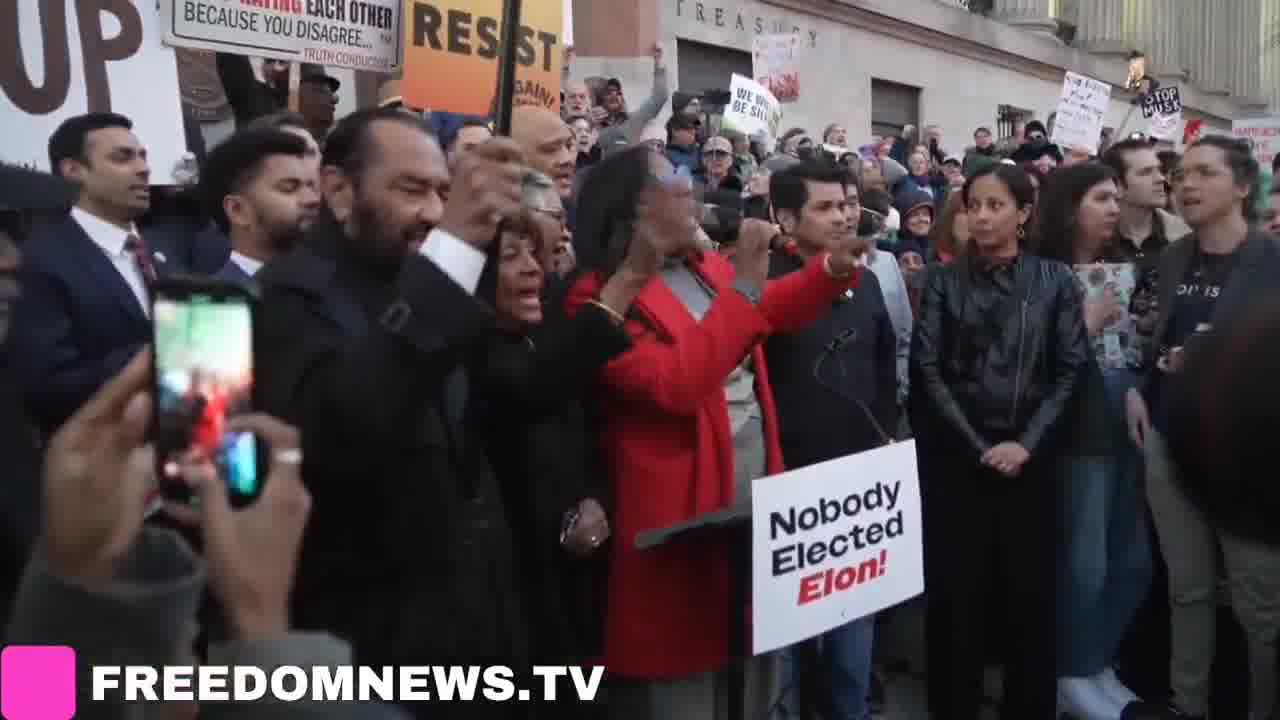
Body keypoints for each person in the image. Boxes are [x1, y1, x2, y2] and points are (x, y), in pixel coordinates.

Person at [565, 147, 867, 718]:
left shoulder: (703, 267)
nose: (692, 186)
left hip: (751, 483)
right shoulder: (598, 298)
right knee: (691, 677)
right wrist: (749, 281)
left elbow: (765, 312)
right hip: (681, 512)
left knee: (751, 662)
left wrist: (828, 271)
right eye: (676, 178)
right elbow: (678, 383)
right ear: (639, 207)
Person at [254, 107, 527, 719]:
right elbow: (351, 425)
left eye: (442, 192)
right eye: (411, 190)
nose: (432, 212)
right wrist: (455, 246)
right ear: (339, 191)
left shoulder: (412, 277)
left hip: (471, 640)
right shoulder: (285, 298)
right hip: (370, 656)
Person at [911, 163, 1088, 719]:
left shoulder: (1056, 280)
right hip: (959, 468)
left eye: (995, 205)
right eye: (973, 206)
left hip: (1031, 468)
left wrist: (1026, 445)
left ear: (1024, 214)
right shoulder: (941, 280)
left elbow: (1070, 369)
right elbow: (927, 369)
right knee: (957, 603)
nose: (982, 217)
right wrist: (978, 448)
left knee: (1030, 603)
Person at [1125, 136, 1280, 720]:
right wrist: (1141, 391)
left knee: (1259, 604)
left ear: (1242, 186)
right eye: (1181, 174)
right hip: (1170, 439)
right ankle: (1188, 706)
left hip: (1248, 455)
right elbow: (1157, 338)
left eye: (1204, 173)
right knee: (1185, 590)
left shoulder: (1273, 264)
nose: (1186, 185)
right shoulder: (1171, 259)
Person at [765, 162, 896, 720]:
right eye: (826, 207)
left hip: (856, 494)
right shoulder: (761, 282)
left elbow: (885, 366)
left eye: (846, 204)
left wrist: (888, 441)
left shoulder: (865, 280)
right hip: (787, 492)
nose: (842, 215)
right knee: (786, 656)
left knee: (852, 647)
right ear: (785, 218)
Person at [1036, 163, 1153, 718]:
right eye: (1102, 198)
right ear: (1069, 207)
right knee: (1086, 566)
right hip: (1074, 436)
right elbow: (1024, 364)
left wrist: (1133, 385)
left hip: (1121, 427)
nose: (1115, 206)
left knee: (1132, 561)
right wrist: (1083, 321)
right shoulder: (1037, 276)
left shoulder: (1119, 269)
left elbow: (1123, 352)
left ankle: (1096, 659)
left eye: (1115, 197)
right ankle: (1071, 673)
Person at [10, 113, 172, 438]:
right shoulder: (39, 260)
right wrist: (161, 356)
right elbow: (47, 385)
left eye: (143, 156)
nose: (144, 168)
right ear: (73, 171)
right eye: (123, 157)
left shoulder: (164, 251)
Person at [199, 128, 321, 284]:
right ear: (238, 210)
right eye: (289, 188)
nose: (312, 199)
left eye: (312, 186)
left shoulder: (338, 293)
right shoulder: (215, 303)